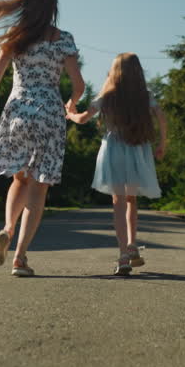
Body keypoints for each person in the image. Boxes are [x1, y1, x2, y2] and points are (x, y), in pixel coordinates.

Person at [0, 0, 84, 277]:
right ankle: (20, 258)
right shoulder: (63, 39)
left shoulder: (16, 38)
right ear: (53, 8)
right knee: (39, 186)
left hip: (18, 111)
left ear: (26, 5)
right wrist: (70, 105)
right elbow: (79, 84)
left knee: (20, 180)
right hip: (49, 113)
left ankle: (8, 229)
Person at [67, 52, 167, 276]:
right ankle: (132, 244)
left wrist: (70, 114)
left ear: (114, 72)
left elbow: (83, 118)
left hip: (113, 149)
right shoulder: (145, 95)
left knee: (118, 202)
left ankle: (123, 255)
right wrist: (162, 144)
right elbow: (161, 117)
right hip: (137, 148)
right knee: (131, 199)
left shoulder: (107, 95)